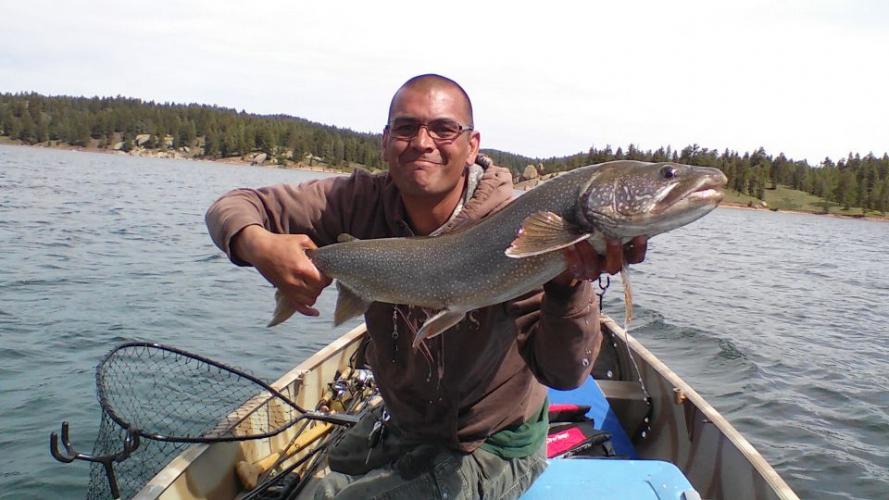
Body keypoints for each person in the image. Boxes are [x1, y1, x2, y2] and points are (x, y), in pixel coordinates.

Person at [206, 74, 646, 499]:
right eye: (406, 128)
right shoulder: (356, 201)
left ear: (472, 146)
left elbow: (564, 374)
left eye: (443, 129)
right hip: (406, 419)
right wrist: (259, 244)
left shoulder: (523, 232)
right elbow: (233, 205)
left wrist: (568, 285)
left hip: (491, 443)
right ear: (384, 140)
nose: (422, 142)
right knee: (316, 486)